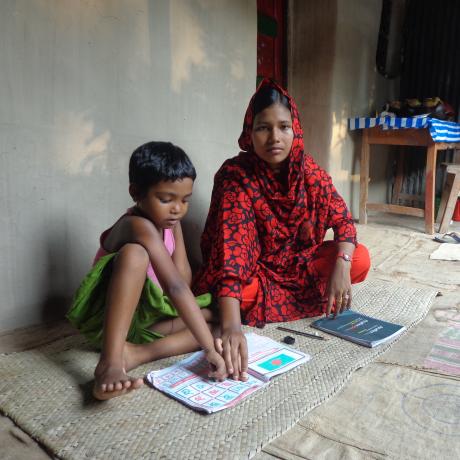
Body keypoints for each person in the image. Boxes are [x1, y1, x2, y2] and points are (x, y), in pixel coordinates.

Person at [193, 79, 371, 381]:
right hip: (256, 272)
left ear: (295, 129)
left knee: (359, 259)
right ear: (250, 132)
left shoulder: (309, 172)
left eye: (283, 127)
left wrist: (341, 266)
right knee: (233, 294)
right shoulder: (235, 176)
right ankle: (230, 313)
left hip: (299, 266)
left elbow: (342, 220)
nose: (274, 137)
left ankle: (239, 310)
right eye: (263, 127)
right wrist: (233, 327)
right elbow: (231, 253)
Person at [67, 141, 226, 400]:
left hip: (144, 319)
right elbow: (174, 287)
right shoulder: (136, 225)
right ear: (136, 192)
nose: (177, 208)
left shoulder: (170, 221)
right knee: (135, 254)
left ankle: (136, 354)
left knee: (219, 328)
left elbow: (181, 279)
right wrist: (209, 351)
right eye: (166, 199)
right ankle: (110, 361)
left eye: (185, 200)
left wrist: (176, 231)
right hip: (110, 325)